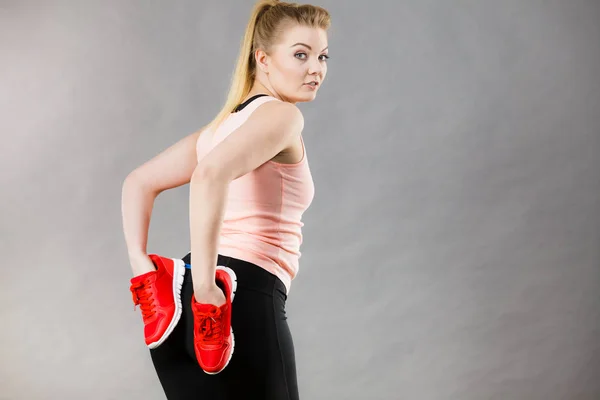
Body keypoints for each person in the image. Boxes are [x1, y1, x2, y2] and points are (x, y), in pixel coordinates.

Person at [121, 0, 330, 398]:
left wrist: (143, 270)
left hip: (178, 311)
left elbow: (137, 183)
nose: (315, 68)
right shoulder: (283, 117)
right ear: (263, 59)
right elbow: (209, 176)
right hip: (238, 299)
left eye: (322, 56)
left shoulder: (219, 129)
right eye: (300, 54)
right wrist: (205, 290)